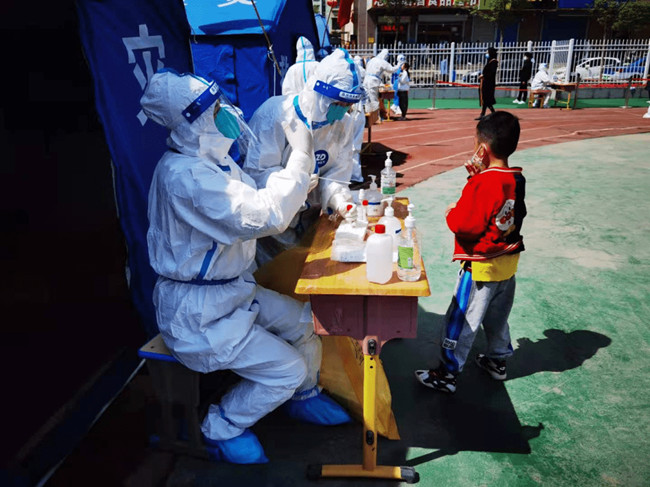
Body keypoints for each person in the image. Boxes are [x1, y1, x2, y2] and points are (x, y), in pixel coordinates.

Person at [141, 70, 351, 465]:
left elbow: (256, 195)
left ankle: (303, 395)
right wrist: (300, 157)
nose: (226, 112)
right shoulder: (185, 175)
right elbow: (263, 215)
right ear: (191, 121)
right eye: (213, 109)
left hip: (233, 292)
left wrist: (297, 185)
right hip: (198, 314)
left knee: (305, 323)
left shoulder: (214, 163)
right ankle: (220, 427)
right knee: (287, 369)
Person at [415, 111, 526, 394]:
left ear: (482, 149)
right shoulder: (516, 177)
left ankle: (446, 373)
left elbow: (465, 225)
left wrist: (452, 211)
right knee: (497, 318)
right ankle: (498, 360)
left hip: (480, 267)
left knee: (461, 318)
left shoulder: (482, 183)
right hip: (507, 263)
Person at [244, 48, 364, 265]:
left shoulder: (343, 123)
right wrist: (295, 180)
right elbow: (257, 173)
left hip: (310, 220)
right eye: (339, 104)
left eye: (348, 105)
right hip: (275, 227)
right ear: (320, 94)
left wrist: (338, 198)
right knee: (275, 274)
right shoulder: (275, 114)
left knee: (309, 272)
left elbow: (337, 170)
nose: (343, 110)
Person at [363, 48, 399, 123]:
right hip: (373, 82)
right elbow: (392, 69)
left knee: (367, 100)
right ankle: (376, 118)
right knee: (374, 100)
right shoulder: (382, 62)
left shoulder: (372, 60)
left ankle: (368, 117)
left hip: (366, 81)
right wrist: (399, 64)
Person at [350, 55, 367, 182]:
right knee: (354, 147)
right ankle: (355, 176)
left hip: (353, 112)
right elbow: (365, 96)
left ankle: (354, 176)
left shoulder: (346, 74)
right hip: (359, 111)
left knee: (351, 148)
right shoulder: (361, 72)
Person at [476, 47, 498, 120]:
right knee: (485, 99)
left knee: (487, 99)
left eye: (487, 52)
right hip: (485, 82)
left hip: (489, 84)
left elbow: (491, 73)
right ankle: (482, 114)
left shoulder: (494, 62)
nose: (486, 54)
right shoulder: (489, 61)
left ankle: (494, 113)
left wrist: (484, 76)